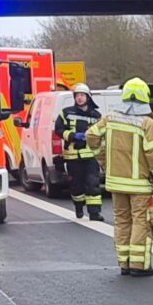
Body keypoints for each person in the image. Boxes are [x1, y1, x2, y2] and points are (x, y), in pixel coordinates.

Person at [90, 78, 153, 276]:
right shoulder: (147, 123)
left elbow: (91, 135)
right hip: (139, 183)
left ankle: (124, 263)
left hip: (115, 181)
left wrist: (104, 159)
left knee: (122, 221)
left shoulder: (110, 118)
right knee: (140, 221)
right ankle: (139, 265)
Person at [55, 84, 105, 221]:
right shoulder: (66, 113)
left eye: (82, 95)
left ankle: (94, 213)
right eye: (77, 96)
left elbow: (101, 133)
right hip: (72, 156)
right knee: (76, 185)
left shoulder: (96, 115)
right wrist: (72, 136)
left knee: (92, 183)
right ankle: (78, 206)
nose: (80, 98)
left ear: (88, 97)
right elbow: (58, 130)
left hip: (90, 156)